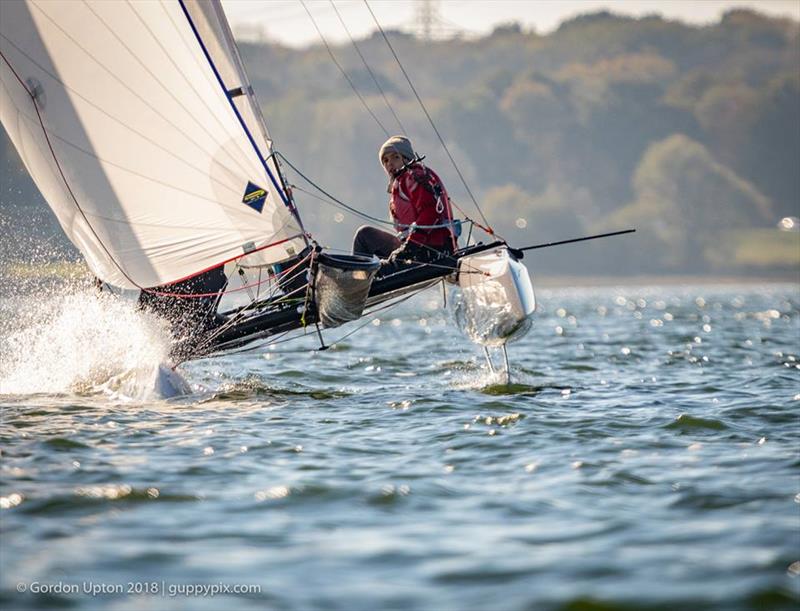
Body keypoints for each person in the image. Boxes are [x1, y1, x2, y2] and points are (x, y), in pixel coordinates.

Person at [353, 135, 457, 263]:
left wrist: (409, 248)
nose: (389, 164)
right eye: (385, 160)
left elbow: (431, 211)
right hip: (420, 249)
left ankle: (357, 278)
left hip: (427, 251)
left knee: (364, 235)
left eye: (395, 157)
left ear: (407, 158)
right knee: (365, 237)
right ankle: (370, 274)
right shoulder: (401, 182)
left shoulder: (412, 176)